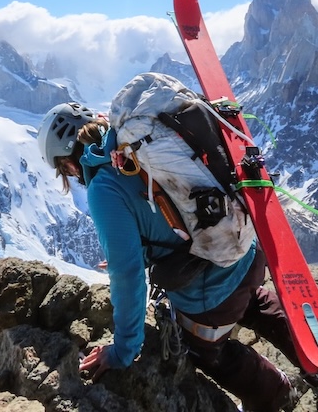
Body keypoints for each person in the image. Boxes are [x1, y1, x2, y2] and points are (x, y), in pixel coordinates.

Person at [37, 101, 301, 411]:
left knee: (203, 349)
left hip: (211, 292)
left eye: (64, 169)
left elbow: (128, 276)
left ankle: (273, 390)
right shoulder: (134, 143)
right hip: (244, 248)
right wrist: (135, 250)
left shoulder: (104, 187)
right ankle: (310, 346)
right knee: (250, 299)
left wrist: (123, 351)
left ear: (68, 162)